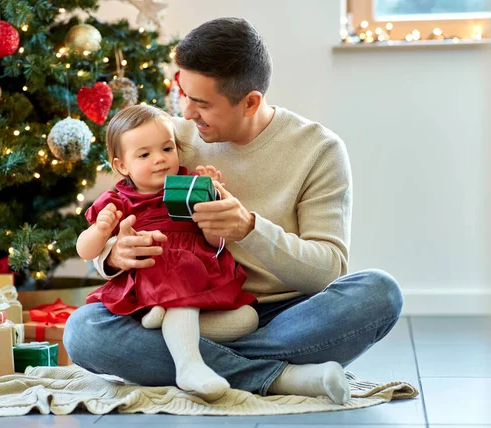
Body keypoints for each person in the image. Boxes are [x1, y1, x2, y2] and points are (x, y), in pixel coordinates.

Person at [64, 17, 403, 405]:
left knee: (379, 293)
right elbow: (119, 213)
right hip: (186, 307)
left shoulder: (319, 150)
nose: (187, 113)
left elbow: (327, 272)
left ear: (250, 102)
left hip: (284, 316)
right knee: (84, 330)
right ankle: (281, 377)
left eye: (202, 103)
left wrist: (248, 228)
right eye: (183, 94)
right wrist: (112, 257)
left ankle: (208, 364)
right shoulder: (170, 139)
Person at [76, 104, 257, 397]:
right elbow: (85, 250)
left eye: (167, 149)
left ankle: (167, 324)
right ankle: (188, 364)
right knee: (177, 267)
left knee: (249, 318)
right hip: (154, 270)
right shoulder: (119, 199)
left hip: (202, 275)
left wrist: (212, 204)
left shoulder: (187, 185)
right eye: (145, 155)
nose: (160, 160)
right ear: (122, 166)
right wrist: (99, 231)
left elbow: (214, 242)